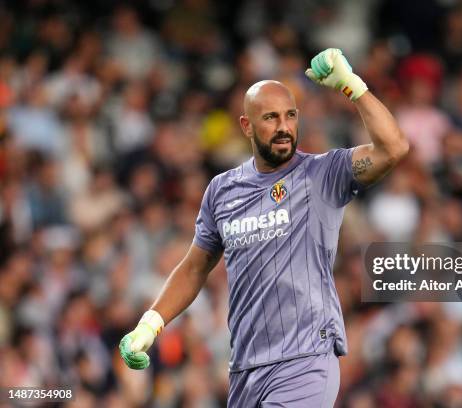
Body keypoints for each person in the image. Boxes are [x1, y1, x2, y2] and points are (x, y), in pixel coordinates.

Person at [119, 48, 409, 407]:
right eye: (271, 117)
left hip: (305, 359)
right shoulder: (222, 191)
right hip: (245, 369)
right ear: (246, 126)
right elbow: (195, 267)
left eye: (290, 116)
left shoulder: (322, 174)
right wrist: (150, 323)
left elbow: (393, 147)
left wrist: (352, 86)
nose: (284, 127)